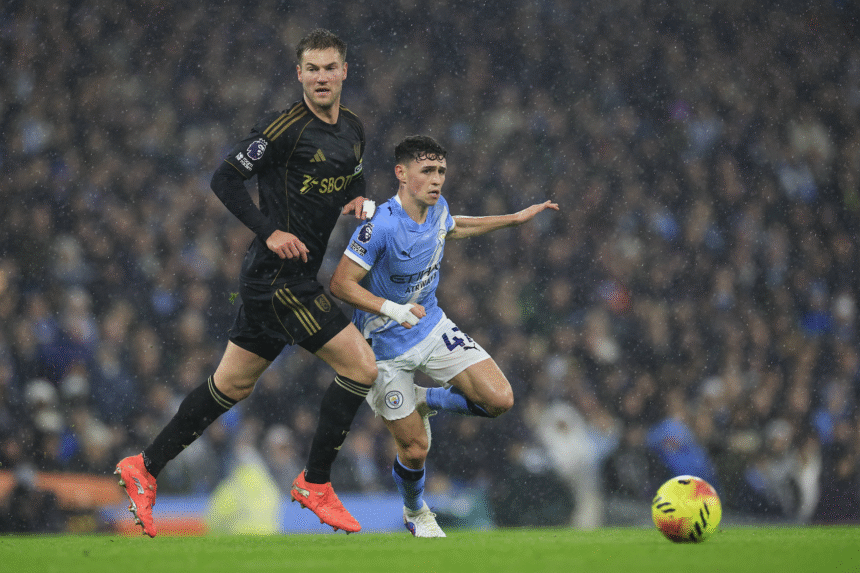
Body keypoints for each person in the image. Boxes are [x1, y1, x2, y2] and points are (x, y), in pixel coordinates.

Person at [115, 29, 378, 537]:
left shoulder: (353, 129)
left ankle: (144, 466)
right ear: (298, 74)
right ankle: (315, 482)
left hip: (286, 279)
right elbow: (224, 178)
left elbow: (354, 177)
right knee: (362, 366)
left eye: (330, 68)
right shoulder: (283, 128)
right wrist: (270, 230)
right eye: (312, 69)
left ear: (345, 71)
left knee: (230, 384)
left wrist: (360, 200)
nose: (321, 77)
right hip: (277, 279)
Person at [329, 135, 559, 537]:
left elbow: (452, 227)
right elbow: (340, 283)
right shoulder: (380, 225)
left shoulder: (439, 209)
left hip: (431, 326)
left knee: (499, 399)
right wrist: (392, 308)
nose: (437, 180)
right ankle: (416, 511)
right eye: (428, 171)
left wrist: (513, 219)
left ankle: (424, 397)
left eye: (441, 172)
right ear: (401, 174)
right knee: (416, 449)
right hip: (383, 348)